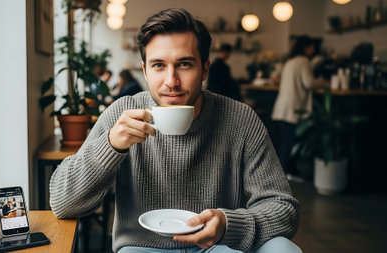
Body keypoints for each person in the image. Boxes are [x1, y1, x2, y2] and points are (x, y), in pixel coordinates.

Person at [50, 8, 301, 253]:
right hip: (141, 247)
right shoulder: (122, 114)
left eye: (184, 64)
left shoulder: (240, 119)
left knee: (284, 248)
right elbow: (63, 204)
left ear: (204, 69)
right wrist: (111, 146)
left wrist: (229, 224)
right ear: (145, 70)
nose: (171, 81)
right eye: (158, 65)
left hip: (218, 246)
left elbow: (282, 207)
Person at [271, 35, 328, 177]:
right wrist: (324, 83)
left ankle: (285, 172)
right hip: (293, 108)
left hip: (282, 107)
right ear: (306, 47)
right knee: (291, 143)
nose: (313, 50)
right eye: (312, 47)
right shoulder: (304, 61)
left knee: (285, 141)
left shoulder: (290, 61)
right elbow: (309, 82)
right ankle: (287, 172)